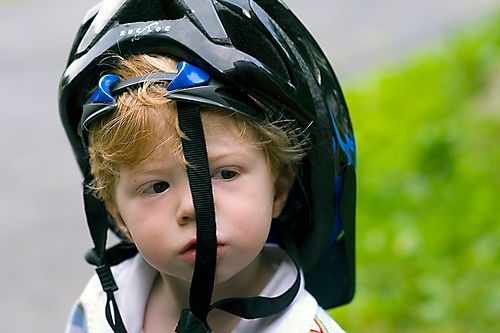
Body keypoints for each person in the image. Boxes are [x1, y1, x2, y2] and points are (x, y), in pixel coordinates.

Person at [59, 1, 357, 332]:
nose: (192, 208)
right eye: (156, 186)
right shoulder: (100, 307)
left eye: (225, 173)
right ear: (117, 215)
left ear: (279, 190)